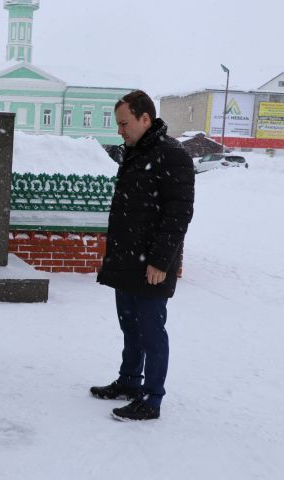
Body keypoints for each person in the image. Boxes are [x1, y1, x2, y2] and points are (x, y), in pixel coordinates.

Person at [91, 90, 195, 421]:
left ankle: (152, 399)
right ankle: (129, 382)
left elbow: (178, 214)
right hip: (127, 259)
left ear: (145, 118)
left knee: (151, 332)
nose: (120, 131)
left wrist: (160, 261)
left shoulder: (172, 155)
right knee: (131, 327)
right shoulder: (136, 152)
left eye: (124, 123)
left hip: (151, 264)